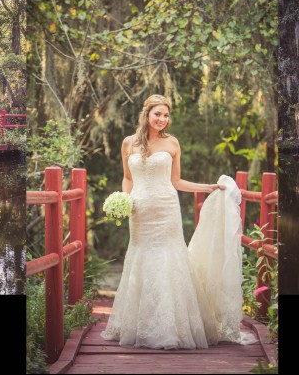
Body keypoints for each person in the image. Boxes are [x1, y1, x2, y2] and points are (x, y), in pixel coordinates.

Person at [100, 94, 254, 349]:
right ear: (146, 115)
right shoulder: (129, 143)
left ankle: (171, 326)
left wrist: (207, 187)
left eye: (166, 115)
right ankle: (141, 322)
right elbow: (128, 178)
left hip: (166, 208)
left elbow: (176, 181)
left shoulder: (172, 143)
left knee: (169, 258)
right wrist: (123, 200)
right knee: (141, 256)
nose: (162, 119)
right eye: (157, 114)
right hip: (139, 210)